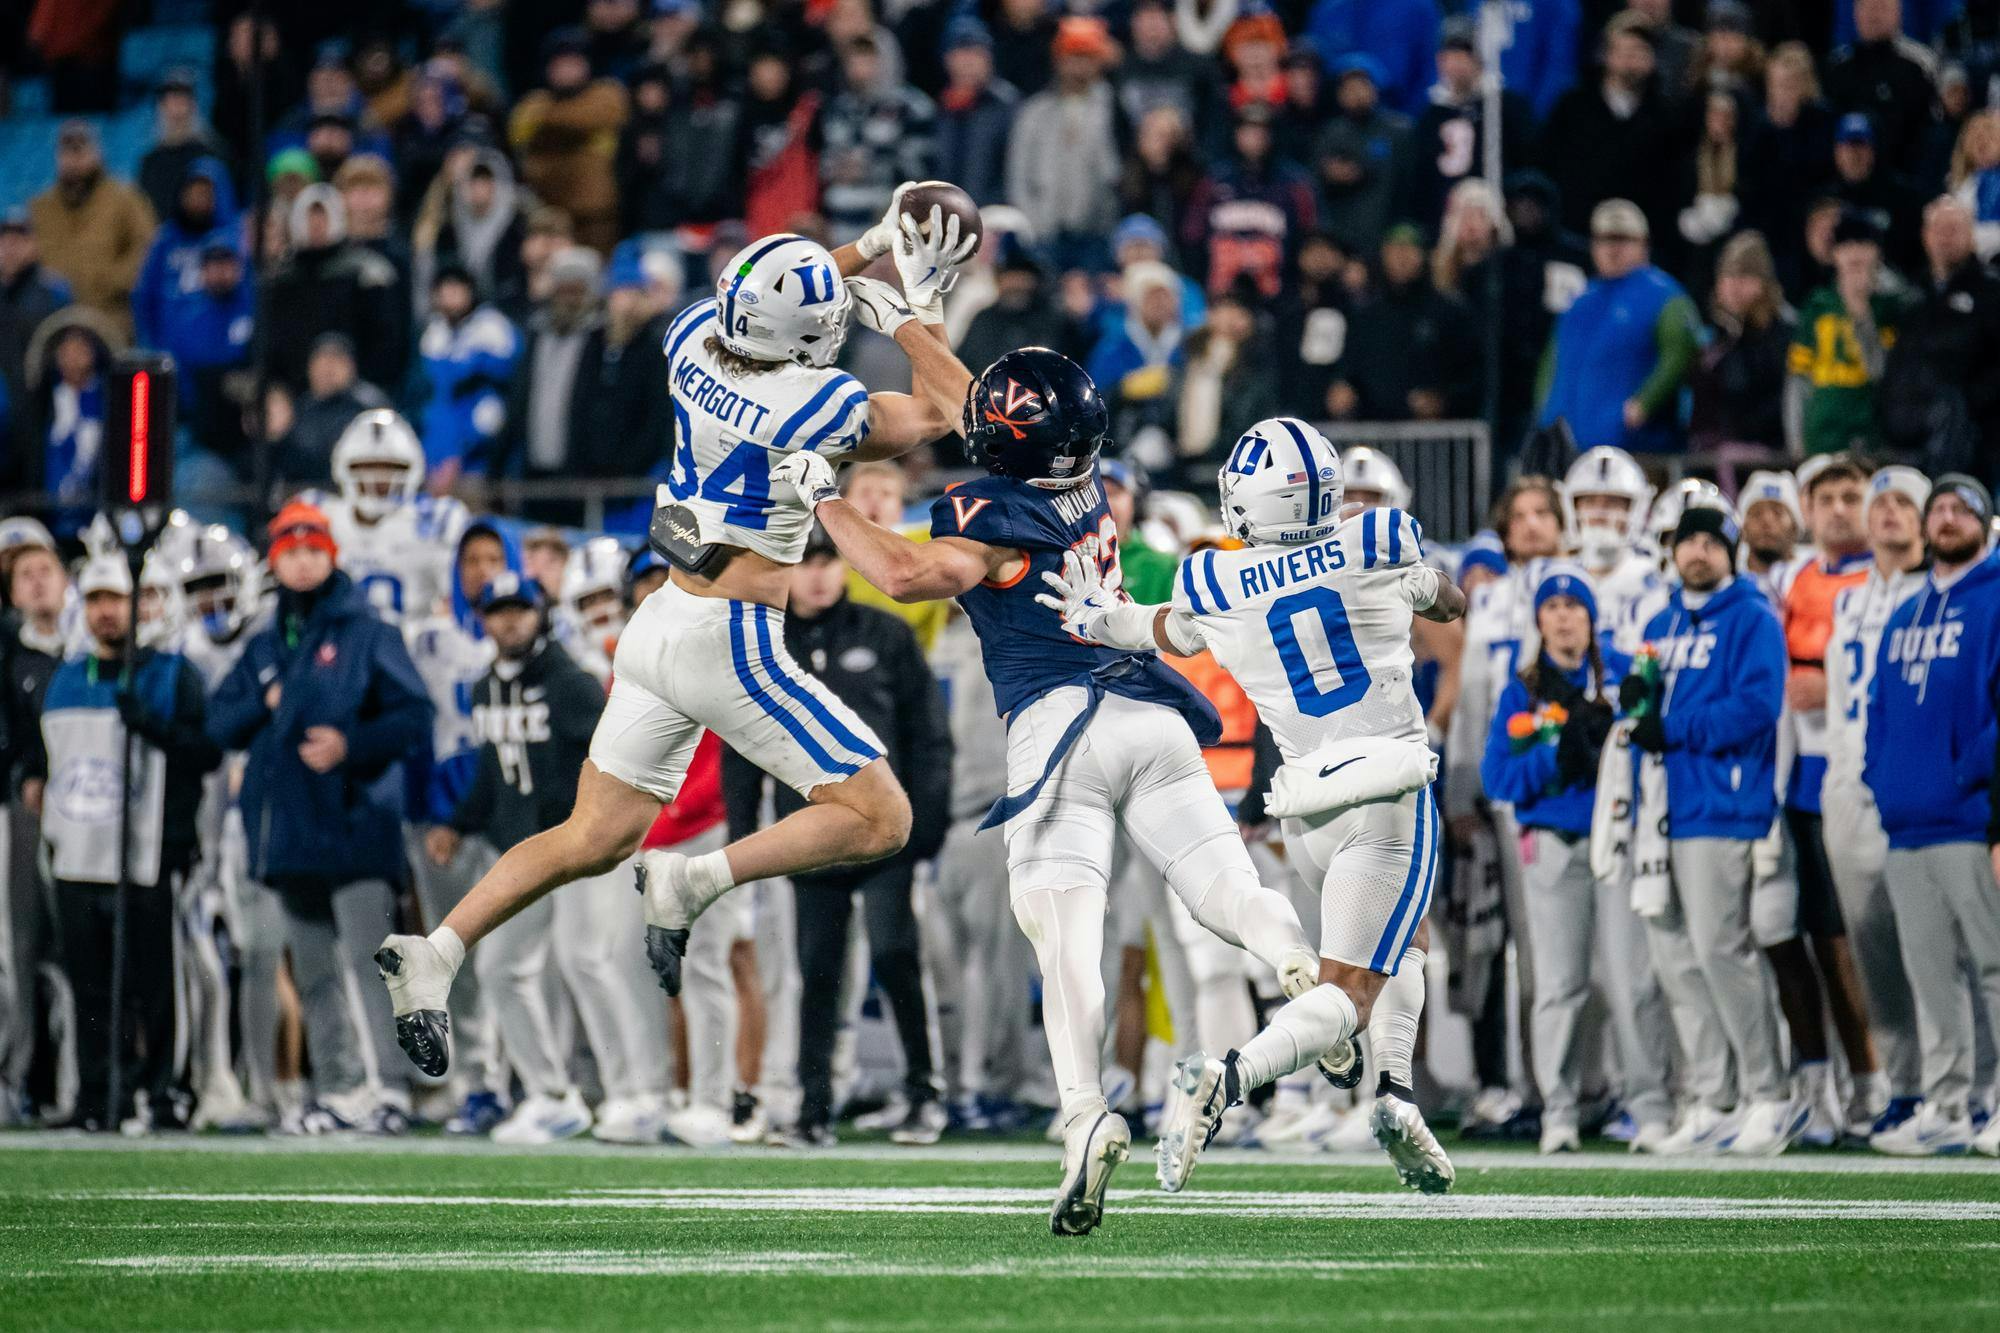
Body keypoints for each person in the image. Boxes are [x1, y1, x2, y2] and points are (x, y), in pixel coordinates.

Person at [374, 213, 973, 1083]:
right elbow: (947, 409)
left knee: (593, 835)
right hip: (729, 637)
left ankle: (438, 947)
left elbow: (770, 289)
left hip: (654, 621)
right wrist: (914, 307)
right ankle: (695, 880)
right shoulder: (812, 402)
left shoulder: (692, 338)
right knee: (884, 816)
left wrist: (875, 237)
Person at [784, 359, 1328, 1233]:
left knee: (1065, 933)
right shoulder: (1080, 476)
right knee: (1227, 892)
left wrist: (827, 499)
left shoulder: (988, 511)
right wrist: (905, 312)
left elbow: (907, 576)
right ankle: (1305, 975)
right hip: (1149, 712)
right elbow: (988, 408)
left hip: (1060, 728)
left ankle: (1083, 1113)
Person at [1029, 415, 1467, 1192]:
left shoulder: (1216, 577)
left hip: (1305, 805)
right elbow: (1451, 605)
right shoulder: (1380, 537)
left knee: (1407, 930)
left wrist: (1096, 616)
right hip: (1387, 785)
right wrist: (1424, 587)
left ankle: (1395, 1092)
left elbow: (1162, 629)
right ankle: (1229, 1076)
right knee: (1350, 988)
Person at [208, 502, 433, 1134]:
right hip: (289, 835)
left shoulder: (368, 632)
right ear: (274, 561)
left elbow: (414, 717)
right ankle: (340, 1088)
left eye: (313, 549)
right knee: (313, 973)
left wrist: (351, 745)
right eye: (290, 550)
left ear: (331, 555)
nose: (302, 561)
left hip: (355, 825)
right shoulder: (262, 645)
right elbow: (219, 723)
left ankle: (389, 1087)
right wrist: (263, 700)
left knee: (372, 965)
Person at [723, 528, 952, 1145]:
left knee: (893, 953)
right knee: (815, 971)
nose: (819, 574)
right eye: (806, 561)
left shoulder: (887, 634)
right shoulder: (765, 649)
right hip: (810, 835)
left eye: (828, 560)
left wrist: (924, 830)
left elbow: (930, 736)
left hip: (886, 834)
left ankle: (924, 1093)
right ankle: (813, 1111)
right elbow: (742, 752)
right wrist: (743, 843)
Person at [1626, 504, 1800, 1156]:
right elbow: (1644, 696)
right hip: (1661, 808)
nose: (1697, 552)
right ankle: (1712, 1096)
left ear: (1729, 550)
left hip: (1722, 805)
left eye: (1710, 541)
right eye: (1687, 541)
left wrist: (1673, 728)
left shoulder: (1752, 617)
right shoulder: (1659, 621)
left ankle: (1768, 1094)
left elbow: (1756, 707)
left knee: (1722, 951)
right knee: (1675, 960)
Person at [1480, 565, 1671, 1153]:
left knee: (1631, 981)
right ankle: (1557, 1111)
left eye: (1574, 606)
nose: (1564, 616)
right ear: (1539, 620)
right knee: (1559, 985)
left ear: (1592, 617)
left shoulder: (1622, 674)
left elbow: (1655, 747)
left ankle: (1650, 1108)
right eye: (1553, 607)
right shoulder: (1525, 689)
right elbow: (1497, 777)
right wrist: (1555, 761)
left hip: (1617, 840)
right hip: (1556, 846)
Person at [33, 554, 218, 1130]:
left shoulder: (172, 673)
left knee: (155, 982)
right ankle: (99, 1094)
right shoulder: (67, 677)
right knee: (87, 984)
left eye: (117, 598)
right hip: (79, 852)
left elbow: (205, 752)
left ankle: (165, 1092)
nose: (107, 611)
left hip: (149, 852)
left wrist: (152, 727)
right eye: (95, 599)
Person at [1866, 476, 2000, 1156]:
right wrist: (1883, 780)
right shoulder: (1904, 613)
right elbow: (1878, 712)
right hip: (1907, 823)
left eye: (1961, 509)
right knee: (1930, 975)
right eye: (1937, 509)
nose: (1946, 518)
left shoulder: (1996, 597)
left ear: (1985, 523)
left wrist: (1965, 773)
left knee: (1995, 964)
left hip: (1971, 817)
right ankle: (1948, 1104)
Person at [1770, 455, 1883, 1144]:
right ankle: (1826, 1086)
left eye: (1852, 495)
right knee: (1799, 937)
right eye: (1828, 497)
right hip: (1794, 780)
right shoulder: (1790, 577)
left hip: (1862, 778)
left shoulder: (1891, 576)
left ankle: (1881, 1078)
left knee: (1859, 944)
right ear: (1807, 509)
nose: (1840, 508)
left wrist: (1829, 686)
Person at [1822, 465, 1932, 1143]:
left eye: (1903, 502)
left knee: (1939, 946)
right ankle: (1907, 1084)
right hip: (1851, 784)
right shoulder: (1847, 596)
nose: (1888, 512)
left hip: (1920, 788)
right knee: (1874, 949)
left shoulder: (1948, 591)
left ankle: (1970, 1088)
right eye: (1880, 501)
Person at [1536, 199, 1700, 455]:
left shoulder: (1664, 295)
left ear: (1644, 243)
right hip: (1567, 447)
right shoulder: (1581, 297)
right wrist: (1545, 410)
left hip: (1635, 448)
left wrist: (1643, 404)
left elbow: (1680, 354)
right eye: (1603, 240)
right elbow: (1552, 357)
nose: (1612, 249)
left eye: (1622, 240)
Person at [1879, 197, 2000, 478]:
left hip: (1982, 445)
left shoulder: (1991, 291)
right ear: (1925, 236)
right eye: (1939, 230)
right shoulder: (1913, 297)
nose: (1945, 238)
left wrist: (1963, 404)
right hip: (1914, 441)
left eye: (1954, 229)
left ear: (1971, 236)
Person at [1786, 211, 1914, 458]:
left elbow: (1881, 372)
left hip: (1869, 435)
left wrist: (1861, 314)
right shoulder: (1818, 304)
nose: (1854, 252)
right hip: (1820, 434)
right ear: (1834, 253)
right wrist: (1796, 439)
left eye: (1863, 244)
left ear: (1878, 253)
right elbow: (1798, 378)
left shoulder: (1890, 305)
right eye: (1846, 244)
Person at [1005, 18, 1123, 268]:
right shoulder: (1035, 112)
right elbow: (1018, 175)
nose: (1079, 65)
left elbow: (1117, 170)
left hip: (1097, 234)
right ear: (1058, 59)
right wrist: (1033, 224)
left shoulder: (1113, 107)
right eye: (1073, 56)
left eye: (1087, 57)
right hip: (1045, 231)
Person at [27, 122, 154, 340]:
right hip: (55, 322)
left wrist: (111, 280)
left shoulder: (124, 198)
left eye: (81, 150)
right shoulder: (41, 207)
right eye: (67, 151)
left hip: (109, 318)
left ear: (97, 153)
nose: (74, 160)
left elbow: (148, 246)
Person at [508, 29, 631, 251]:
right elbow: (519, 134)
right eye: (559, 65)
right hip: (548, 218)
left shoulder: (608, 93)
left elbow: (596, 115)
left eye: (573, 63)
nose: (566, 71)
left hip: (598, 219)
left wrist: (549, 129)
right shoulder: (532, 103)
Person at [415, 265, 520, 489]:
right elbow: (430, 403)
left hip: (478, 462)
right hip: (434, 459)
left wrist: (461, 453)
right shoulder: (432, 336)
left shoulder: (493, 330)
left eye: (457, 288)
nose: (450, 295)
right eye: (444, 289)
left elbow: (496, 404)